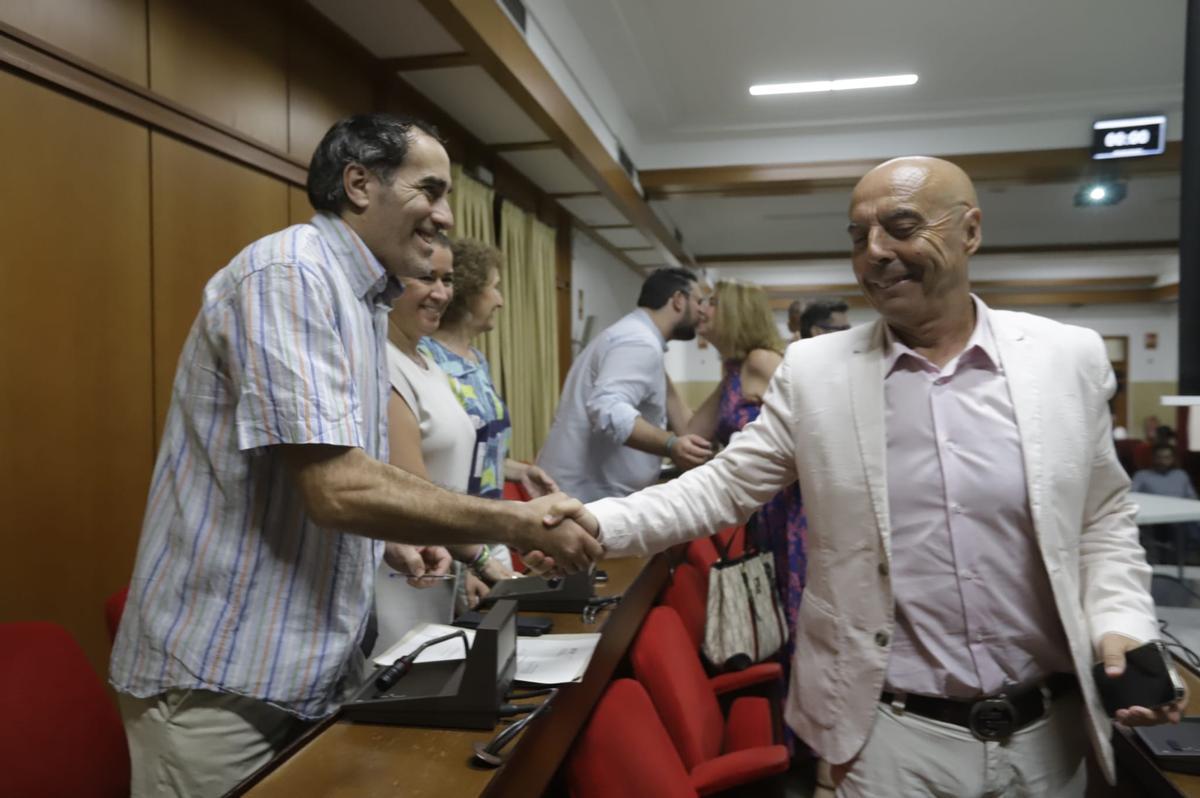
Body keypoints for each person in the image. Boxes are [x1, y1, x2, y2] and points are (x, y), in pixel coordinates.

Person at [556, 157, 1179, 797]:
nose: (876, 252)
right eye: (859, 236)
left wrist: (1123, 621)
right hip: (887, 741)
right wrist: (594, 522)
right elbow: (723, 485)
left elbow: (1102, 519)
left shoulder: (1064, 357)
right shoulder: (817, 370)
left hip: (1052, 737)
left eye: (902, 226)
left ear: (970, 231)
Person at [109, 113, 600, 798]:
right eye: (429, 190)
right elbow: (335, 488)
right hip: (223, 684)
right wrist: (514, 524)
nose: (446, 215)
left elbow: (328, 471)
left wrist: (393, 538)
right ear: (360, 183)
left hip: (308, 675)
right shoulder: (292, 274)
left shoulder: (363, 301)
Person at [687, 280, 807, 663]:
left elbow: (815, 427)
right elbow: (692, 436)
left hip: (789, 510)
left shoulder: (762, 361)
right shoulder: (735, 369)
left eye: (713, 303)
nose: (702, 310)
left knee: (795, 613)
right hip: (763, 511)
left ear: (737, 312)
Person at [536, 267, 713, 502]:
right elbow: (607, 408)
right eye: (699, 301)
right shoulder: (639, 342)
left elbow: (686, 425)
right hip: (587, 500)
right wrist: (670, 444)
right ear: (679, 301)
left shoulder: (638, 338)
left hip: (587, 496)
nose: (702, 310)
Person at [421, 237, 559, 501]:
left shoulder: (477, 360)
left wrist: (520, 472)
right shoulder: (425, 358)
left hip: (486, 523)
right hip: (445, 523)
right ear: (469, 292)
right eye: (494, 288)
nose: (500, 301)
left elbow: (481, 450)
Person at [1131, 443, 1199, 565]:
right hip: (1153, 519)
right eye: (1159, 457)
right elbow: (1132, 497)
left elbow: (1192, 497)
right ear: (1153, 458)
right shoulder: (1142, 476)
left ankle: (1184, 562)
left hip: (1181, 518)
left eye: (1167, 457)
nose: (1163, 461)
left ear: (1173, 459)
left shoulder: (1181, 475)